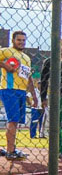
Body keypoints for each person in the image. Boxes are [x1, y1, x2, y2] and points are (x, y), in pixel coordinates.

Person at [1, 30, 38, 161]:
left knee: (16, 122)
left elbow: (29, 77)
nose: (21, 42)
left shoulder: (27, 58)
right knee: (13, 120)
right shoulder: (6, 51)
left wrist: (34, 95)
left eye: (23, 40)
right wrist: (5, 65)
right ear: (13, 40)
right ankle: (10, 151)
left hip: (22, 91)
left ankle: (11, 148)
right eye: (19, 40)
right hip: (9, 89)